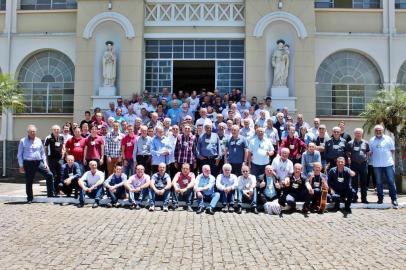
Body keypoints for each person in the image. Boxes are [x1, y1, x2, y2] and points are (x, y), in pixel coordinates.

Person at [17, 125, 55, 202]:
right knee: (29, 181)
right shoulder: (23, 141)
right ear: (28, 132)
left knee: (49, 175)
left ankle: (50, 195)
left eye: (34, 131)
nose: (33, 133)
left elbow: (42, 153)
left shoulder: (38, 140)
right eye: (31, 131)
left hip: (38, 162)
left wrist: (45, 163)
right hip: (28, 163)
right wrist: (21, 165)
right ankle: (30, 198)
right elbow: (19, 154)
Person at [369, 125, 398, 207]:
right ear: (375, 131)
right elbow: (370, 152)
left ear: (382, 130)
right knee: (378, 182)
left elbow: (392, 150)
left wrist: (386, 158)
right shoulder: (371, 140)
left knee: (391, 182)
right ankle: (380, 198)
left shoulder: (388, 139)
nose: (378, 131)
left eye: (380, 130)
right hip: (377, 165)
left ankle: (394, 199)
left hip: (388, 164)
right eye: (377, 130)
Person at [347, 128, 370, 203]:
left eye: (359, 133)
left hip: (363, 164)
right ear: (354, 134)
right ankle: (354, 197)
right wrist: (349, 158)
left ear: (362, 134)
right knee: (354, 182)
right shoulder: (350, 143)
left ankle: (364, 198)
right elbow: (347, 152)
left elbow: (368, 152)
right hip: (354, 164)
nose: (358, 134)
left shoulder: (366, 143)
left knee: (364, 182)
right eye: (356, 133)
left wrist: (366, 158)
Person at [44, 125, 65, 194]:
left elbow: (63, 146)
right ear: (52, 130)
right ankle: (52, 190)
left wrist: (63, 153)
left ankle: (58, 190)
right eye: (55, 129)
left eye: (57, 129)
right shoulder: (49, 137)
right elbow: (45, 148)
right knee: (52, 174)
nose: (56, 131)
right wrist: (46, 158)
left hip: (60, 158)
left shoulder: (61, 137)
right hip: (51, 159)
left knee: (60, 174)